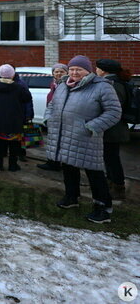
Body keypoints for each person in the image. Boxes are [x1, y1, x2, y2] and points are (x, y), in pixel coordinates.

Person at [45, 55, 121, 223]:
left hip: (86, 137)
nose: (74, 73)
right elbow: (52, 105)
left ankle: (102, 208)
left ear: (88, 71)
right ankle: (71, 197)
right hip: (64, 136)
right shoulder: (63, 85)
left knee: (94, 172)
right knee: (68, 167)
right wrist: (48, 119)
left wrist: (91, 126)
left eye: (79, 69)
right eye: (71, 69)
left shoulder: (101, 86)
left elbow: (114, 112)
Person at [0, 64, 32, 172]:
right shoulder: (19, 87)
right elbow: (27, 98)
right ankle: (13, 165)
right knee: (14, 144)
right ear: (13, 74)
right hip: (15, 122)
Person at [95, 59, 131, 203]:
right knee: (109, 157)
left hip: (113, 129)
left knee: (112, 159)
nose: (96, 70)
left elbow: (113, 108)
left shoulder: (113, 85)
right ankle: (111, 182)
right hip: (112, 127)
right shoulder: (115, 83)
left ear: (103, 71)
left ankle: (118, 188)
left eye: (97, 68)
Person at [38, 63, 68, 171]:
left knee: (59, 141)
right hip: (53, 116)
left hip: (60, 117)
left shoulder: (66, 85)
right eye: (56, 71)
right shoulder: (54, 84)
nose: (59, 73)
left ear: (66, 73)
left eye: (62, 71)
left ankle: (56, 163)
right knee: (52, 141)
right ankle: (52, 162)